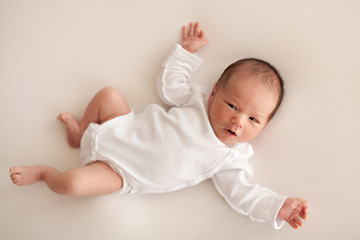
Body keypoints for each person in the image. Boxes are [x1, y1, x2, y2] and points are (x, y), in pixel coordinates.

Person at [10, 22, 308, 230]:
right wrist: (186, 52)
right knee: (108, 94)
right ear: (215, 92)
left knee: (70, 184)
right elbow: (169, 86)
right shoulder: (197, 100)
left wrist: (278, 207)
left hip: (121, 173)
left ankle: (45, 173)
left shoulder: (231, 156)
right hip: (121, 128)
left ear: (264, 126)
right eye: (232, 106)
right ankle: (80, 134)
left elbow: (242, 192)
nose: (238, 121)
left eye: (254, 119)